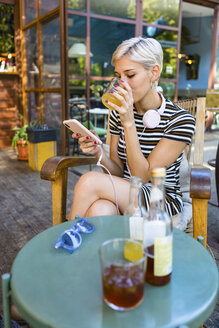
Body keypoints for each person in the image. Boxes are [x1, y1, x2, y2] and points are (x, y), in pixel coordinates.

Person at [69, 37, 195, 220]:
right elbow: (118, 172)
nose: (122, 84)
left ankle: (62, 242)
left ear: (154, 73)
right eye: (119, 76)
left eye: (130, 75)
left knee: (88, 181)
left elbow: (142, 177)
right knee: (100, 210)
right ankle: (79, 245)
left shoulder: (181, 120)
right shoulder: (117, 113)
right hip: (123, 191)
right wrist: (98, 152)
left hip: (159, 199)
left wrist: (128, 123)